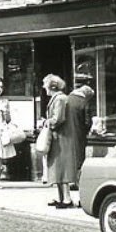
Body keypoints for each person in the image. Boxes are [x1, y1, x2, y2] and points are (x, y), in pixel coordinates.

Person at [41, 73, 75, 209]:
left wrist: (45, 122)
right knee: (57, 167)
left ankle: (67, 199)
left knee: (62, 168)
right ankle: (61, 197)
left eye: (45, 84)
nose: (44, 87)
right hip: (58, 137)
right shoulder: (57, 98)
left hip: (62, 138)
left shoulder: (59, 99)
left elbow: (58, 118)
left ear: (52, 86)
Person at [65, 83, 95, 186]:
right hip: (79, 134)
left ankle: (68, 181)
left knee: (68, 157)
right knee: (79, 157)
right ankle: (77, 182)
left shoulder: (66, 100)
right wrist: (87, 131)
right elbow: (87, 122)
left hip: (65, 134)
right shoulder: (84, 103)